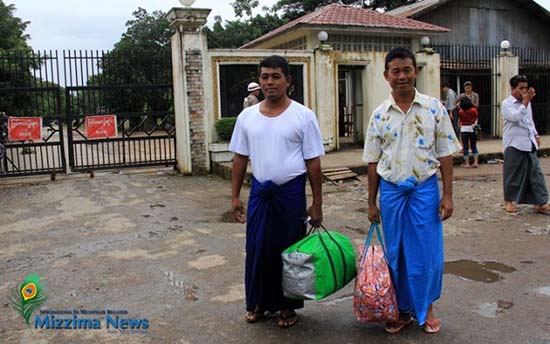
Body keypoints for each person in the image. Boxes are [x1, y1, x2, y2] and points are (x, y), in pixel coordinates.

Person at [363, 47, 461, 334]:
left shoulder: (434, 108)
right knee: (396, 253)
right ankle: (401, 310)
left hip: (424, 191)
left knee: (427, 252)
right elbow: (372, 161)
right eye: (396, 71)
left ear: (416, 71)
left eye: (407, 70)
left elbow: (445, 153)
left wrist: (448, 194)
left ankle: (426, 307)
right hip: (391, 193)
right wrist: (371, 202)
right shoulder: (379, 115)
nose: (402, 76)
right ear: (386, 76)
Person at [229, 55, 325, 328]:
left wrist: (317, 204)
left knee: (288, 251)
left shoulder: (303, 116)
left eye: (275, 76)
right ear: (259, 81)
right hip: (260, 194)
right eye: (264, 77)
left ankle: (286, 307)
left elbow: (313, 163)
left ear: (288, 81)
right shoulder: (247, 117)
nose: (269, 82)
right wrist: (235, 196)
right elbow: (239, 159)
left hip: (290, 194)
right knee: (257, 249)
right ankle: (257, 303)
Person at [501, 74, 550, 214]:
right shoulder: (507, 104)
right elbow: (515, 118)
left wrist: (535, 134)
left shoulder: (527, 103)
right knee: (512, 174)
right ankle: (508, 201)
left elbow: (529, 121)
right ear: (513, 88)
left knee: (536, 173)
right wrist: (525, 102)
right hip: (514, 143)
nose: (524, 91)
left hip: (528, 142)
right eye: (521, 88)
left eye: (525, 88)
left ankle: (541, 202)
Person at [458, 96, 479, 168]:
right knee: (474, 146)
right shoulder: (474, 110)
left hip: (464, 129)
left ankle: (467, 164)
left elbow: (460, 121)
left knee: (465, 147)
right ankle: (475, 162)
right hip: (472, 129)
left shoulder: (461, 111)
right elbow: (476, 119)